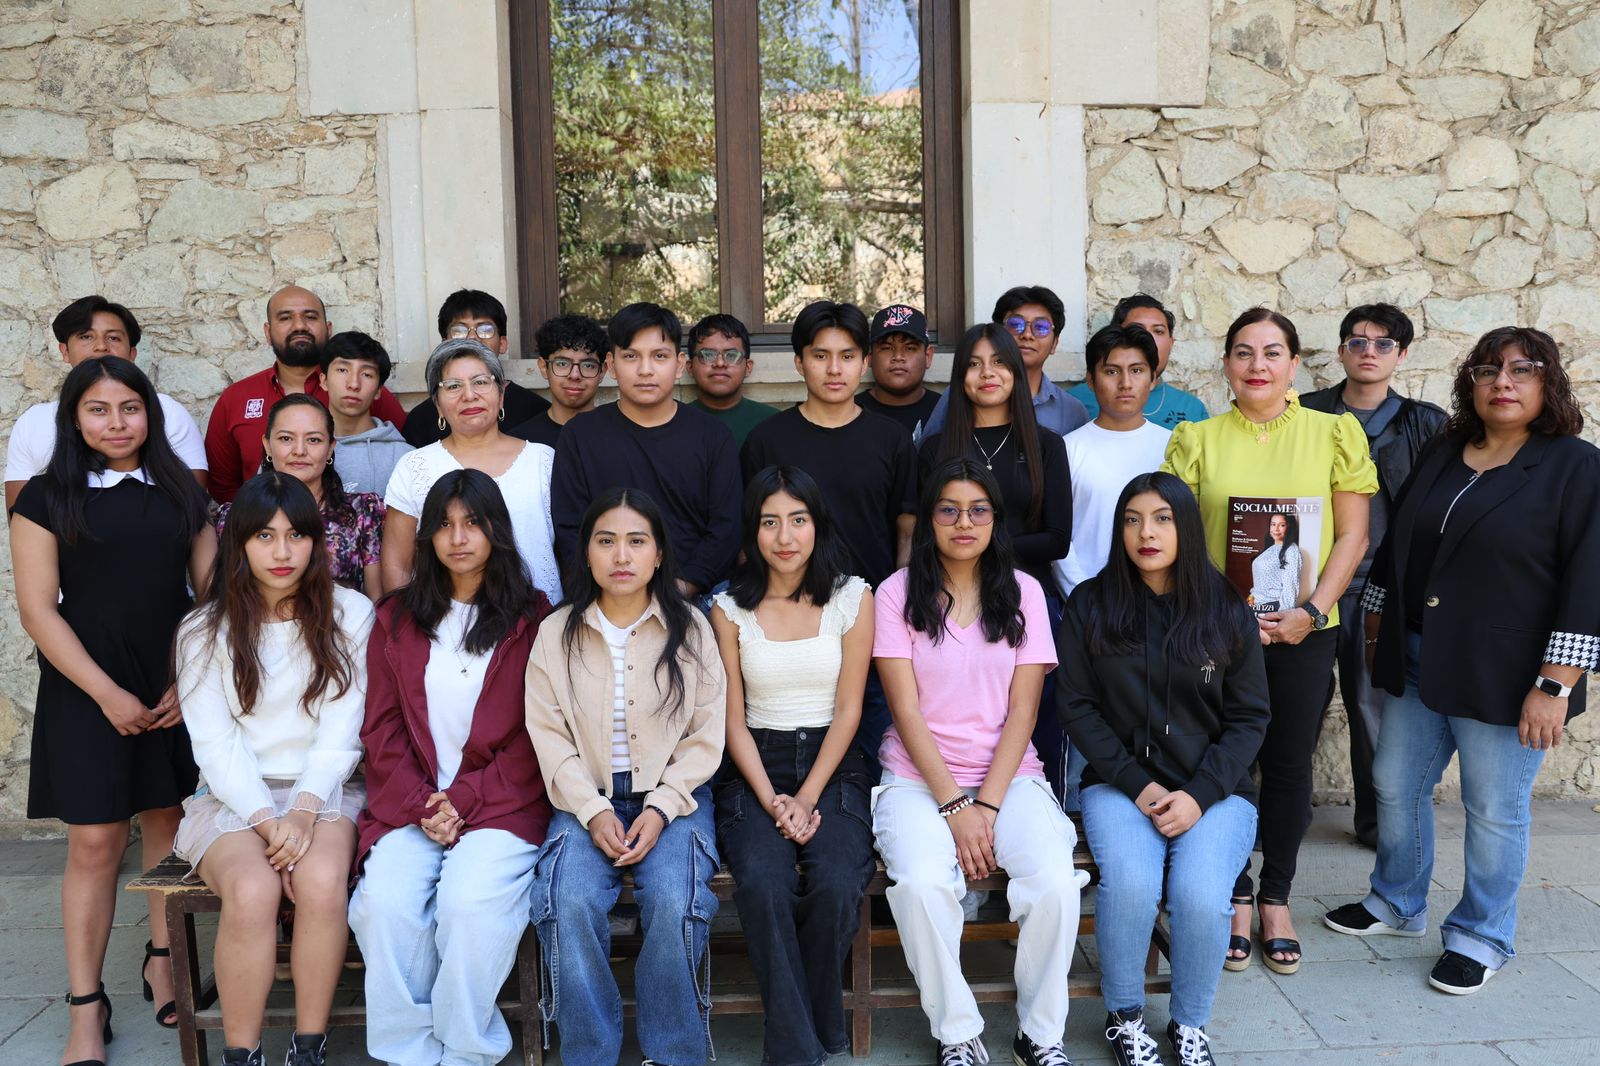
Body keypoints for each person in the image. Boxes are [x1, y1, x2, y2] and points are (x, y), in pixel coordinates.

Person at [1323, 327, 1600, 996]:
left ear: (1547, 383)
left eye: (1522, 369)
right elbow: (1400, 548)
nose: (1503, 381)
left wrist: (1554, 685)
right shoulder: (1448, 448)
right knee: (1394, 782)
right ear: (1470, 382)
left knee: (1493, 807)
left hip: (1510, 674)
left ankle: (1481, 934)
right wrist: (1377, 625)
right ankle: (1397, 901)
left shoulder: (1574, 465)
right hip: (1419, 656)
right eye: (1489, 369)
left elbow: (1590, 581)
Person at [11, 356, 214, 1064]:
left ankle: (166, 963)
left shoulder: (182, 495)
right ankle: (85, 1007)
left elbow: (212, 598)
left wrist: (189, 683)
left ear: (149, 415)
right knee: (95, 844)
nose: (117, 423)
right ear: (73, 418)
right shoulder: (45, 497)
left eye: (129, 408)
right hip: (85, 690)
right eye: (98, 410)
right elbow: (38, 610)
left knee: (168, 828)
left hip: (170, 686)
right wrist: (105, 692)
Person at [1163, 307, 1376, 976]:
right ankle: (1235, 891)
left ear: (1293, 364)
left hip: (1304, 630)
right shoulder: (1196, 439)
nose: (1258, 365)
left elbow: (1353, 536)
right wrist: (1217, 614)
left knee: (1287, 760)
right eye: (1244, 352)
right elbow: (1179, 541)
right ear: (1226, 363)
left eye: (1273, 352)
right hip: (1215, 630)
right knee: (1220, 757)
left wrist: (1313, 608)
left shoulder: (1334, 433)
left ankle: (1278, 894)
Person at [871, 458, 1082, 1066]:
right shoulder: (895, 593)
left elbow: (1024, 712)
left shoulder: (1025, 592)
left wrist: (984, 804)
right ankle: (957, 1031)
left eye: (978, 510)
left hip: (1010, 777)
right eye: (949, 509)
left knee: (1053, 884)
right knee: (919, 885)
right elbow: (905, 713)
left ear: (996, 519)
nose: (964, 522)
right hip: (917, 778)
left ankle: (1039, 1035)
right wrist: (955, 806)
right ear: (929, 519)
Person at [1058, 472, 1269, 1066]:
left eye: (1161, 519)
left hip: (1216, 790)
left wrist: (1200, 795)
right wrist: (1139, 785)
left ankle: (1190, 1023)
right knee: (1130, 884)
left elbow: (1251, 718)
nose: (1145, 533)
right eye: (1132, 519)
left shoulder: (1226, 609)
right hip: (1122, 785)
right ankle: (1124, 1016)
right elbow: (1076, 707)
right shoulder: (1092, 605)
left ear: (1186, 526)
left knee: (1201, 896)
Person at [349, 470, 554, 1065]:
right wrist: (422, 805)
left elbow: (536, 733)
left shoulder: (534, 620)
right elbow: (381, 728)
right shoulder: (395, 618)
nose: (458, 537)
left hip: (501, 804)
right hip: (410, 806)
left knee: (469, 906)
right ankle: (407, 1052)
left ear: (497, 531)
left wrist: (461, 801)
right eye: (443, 524)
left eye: (472, 523)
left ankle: (466, 1051)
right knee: (384, 905)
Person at [172, 472, 374, 1066]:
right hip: (234, 794)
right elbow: (215, 744)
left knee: (318, 882)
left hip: (328, 788)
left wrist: (305, 812)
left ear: (317, 542)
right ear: (239, 542)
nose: (282, 552)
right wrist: (268, 821)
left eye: (295, 536)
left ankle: (307, 1047)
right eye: (264, 536)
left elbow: (344, 728)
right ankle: (242, 1053)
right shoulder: (203, 629)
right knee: (254, 888)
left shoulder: (350, 614)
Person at [525, 489, 726, 1066]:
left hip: (675, 802)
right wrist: (592, 810)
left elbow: (705, 734)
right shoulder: (556, 632)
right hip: (583, 799)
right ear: (585, 553)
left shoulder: (691, 628)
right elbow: (548, 734)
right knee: (566, 898)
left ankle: (673, 1054)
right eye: (605, 540)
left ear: (659, 553)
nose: (621, 555)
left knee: (674, 897)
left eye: (637, 541)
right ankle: (589, 1053)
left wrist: (661, 807)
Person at [710, 466, 877, 1066]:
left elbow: (851, 709)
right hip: (754, 762)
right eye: (770, 521)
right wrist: (774, 797)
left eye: (798, 520)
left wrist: (806, 797)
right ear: (753, 532)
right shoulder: (728, 609)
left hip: (833, 765)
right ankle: (810, 1044)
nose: (785, 536)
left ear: (817, 525)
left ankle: (793, 1043)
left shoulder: (853, 597)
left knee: (835, 882)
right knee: (762, 882)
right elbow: (731, 721)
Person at [1301, 303, 1446, 847]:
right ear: (1340, 350)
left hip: (1382, 588)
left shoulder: (1425, 424)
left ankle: (1379, 823)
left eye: (1383, 344)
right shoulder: (1306, 410)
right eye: (1357, 341)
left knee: (1373, 709)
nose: (1369, 351)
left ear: (1402, 355)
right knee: (1296, 704)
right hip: (1309, 582)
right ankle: (1277, 817)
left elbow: (1436, 508)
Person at [552, 302, 742, 600]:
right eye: (631, 356)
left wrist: (681, 588)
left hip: (694, 598)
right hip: (603, 600)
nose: (645, 369)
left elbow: (726, 528)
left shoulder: (712, 436)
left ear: (679, 364)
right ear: (611, 366)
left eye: (659, 356)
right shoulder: (579, 436)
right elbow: (569, 528)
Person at [741, 299, 918, 590]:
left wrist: (899, 602)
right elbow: (750, 534)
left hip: (873, 604)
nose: (834, 369)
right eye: (821, 356)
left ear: (865, 362)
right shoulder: (766, 440)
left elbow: (907, 532)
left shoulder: (892, 439)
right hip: (790, 609)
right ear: (800, 362)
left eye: (847, 357)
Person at [383, 339, 562, 603]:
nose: (469, 395)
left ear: (501, 394)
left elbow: (571, 546)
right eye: (453, 386)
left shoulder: (543, 459)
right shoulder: (414, 466)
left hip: (538, 627)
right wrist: (405, 630)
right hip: (443, 627)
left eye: (480, 382)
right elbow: (397, 562)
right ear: (437, 403)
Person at [204, 285, 407, 503]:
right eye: (285, 318)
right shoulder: (236, 398)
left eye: (310, 317)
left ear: (328, 329)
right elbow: (223, 487)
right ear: (267, 332)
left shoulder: (360, 391)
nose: (300, 325)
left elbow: (403, 457)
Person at [6, 295, 207, 508]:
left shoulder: (169, 412)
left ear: (132, 353)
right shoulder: (34, 422)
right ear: (64, 351)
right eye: (85, 337)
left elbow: (192, 509)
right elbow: (21, 517)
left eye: (113, 338)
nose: (101, 346)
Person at [917, 322, 1071, 595]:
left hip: (1027, 594)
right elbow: (925, 536)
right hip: (952, 596)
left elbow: (1057, 541)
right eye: (974, 364)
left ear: (1015, 371)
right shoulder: (935, 449)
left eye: (999, 362)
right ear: (961, 377)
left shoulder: (1047, 445)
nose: (987, 373)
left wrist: (977, 544)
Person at [214, 395, 385, 598]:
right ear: (267, 445)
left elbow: (377, 601)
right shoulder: (234, 515)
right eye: (286, 438)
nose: (299, 451)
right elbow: (226, 597)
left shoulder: (361, 511)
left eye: (313, 440)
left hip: (347, 627)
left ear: (331, 448)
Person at [1054, 323, 1172, 600]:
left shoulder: (1174, 447)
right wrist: (1084, 599)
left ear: (1153, 378)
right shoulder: (1067, 449)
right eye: (1111, 371)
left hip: (1162, 601)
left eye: (1137, 370)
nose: (1126, 384)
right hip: (1089, 601)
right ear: (1091, 380)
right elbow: (1060, 540)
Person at [923, 285, 1089, 438]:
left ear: (1054, 344)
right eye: (1016, 324)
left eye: (1041, 327)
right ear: (997, 335)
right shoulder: (961, 393)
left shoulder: (1071, 410)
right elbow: (929, 456)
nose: (1027, 335)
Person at [401, 289, 550, 447]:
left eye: (485, 330)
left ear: (502, 343)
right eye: (459, 330)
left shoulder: (536, 410)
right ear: (444, 343)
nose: (472, 338)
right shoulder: (420, 419)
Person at [1069, 294, 1209, 429]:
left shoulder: (1192, 408)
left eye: (1158, 331)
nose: (1148, 338)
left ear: (1171, 343)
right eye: (1136, 329)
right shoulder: (1074, 402)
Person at [321, 330, 413, 497]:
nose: (354, 384)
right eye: (342, 370)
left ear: (378, 390)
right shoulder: (299, 449)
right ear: (324, 380)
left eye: (367, 374)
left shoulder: (405, 459)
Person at [508, 313, 611, 448]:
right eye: (562, 364)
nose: (575, 375)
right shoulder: (518, 444)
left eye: (588, 365)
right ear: (544, 367)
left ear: (602, 371)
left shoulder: (621, 437)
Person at [687, 312, 778, 445]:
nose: (720, 363)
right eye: (707, 355)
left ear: (748, 367)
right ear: (690, 367)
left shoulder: (773, 423)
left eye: (731, 355)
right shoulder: (673, 423)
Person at [857, 303, 940, 443]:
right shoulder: (850, 412)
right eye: (887, 348)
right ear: (870, 357)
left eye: (910, 348)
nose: (898, 356)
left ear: (927, 356)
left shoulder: (946, 412)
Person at [1247, 512, 1309, 613]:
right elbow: (1258, 584)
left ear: (1289, 527)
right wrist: (1249, 602)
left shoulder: (1291, 550)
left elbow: (1290, 587)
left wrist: (1282, 615)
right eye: (1273, 524)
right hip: (1255, 605)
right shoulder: (1269, 549)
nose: (1276, 529)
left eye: (1282, 525)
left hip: (1273, 607)